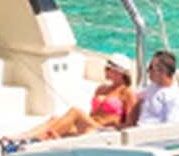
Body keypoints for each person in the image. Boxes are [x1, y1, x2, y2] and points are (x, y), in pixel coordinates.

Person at [8, 53, 137, 143]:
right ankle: (22, 137)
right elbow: (91, 114)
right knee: (54, 119)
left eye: (109, 69)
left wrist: (113, 129)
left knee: (75, 111)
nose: (105, 71)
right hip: (90, 124)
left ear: (120, 73)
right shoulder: (101, 89)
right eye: (106, 68)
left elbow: (130, 124)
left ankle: (38, 140)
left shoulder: (127, 93)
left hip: (104, 129)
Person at [130, 50, 179, 126]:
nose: (148, 71)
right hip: (138, 128)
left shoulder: (175, 98)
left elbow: (171, 126)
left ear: (162, 71)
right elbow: (134, 95)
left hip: (150, 134)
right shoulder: (153, 86)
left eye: (151, 67)